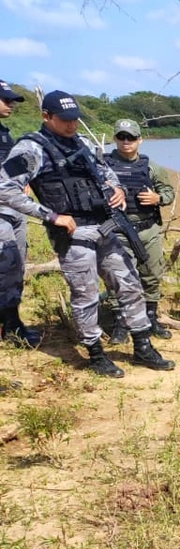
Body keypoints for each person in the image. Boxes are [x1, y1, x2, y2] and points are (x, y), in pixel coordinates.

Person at [0, 90, 174, 376]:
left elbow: (106, 171)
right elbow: (5, 188)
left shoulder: (81, 142)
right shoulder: (32, 148)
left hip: (104, 226)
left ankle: (142, 345)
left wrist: (117, 189)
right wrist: (50, 216)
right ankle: (95, 354)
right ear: (46, 116)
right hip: (73, 234)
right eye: (65, 120)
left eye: (75, 119)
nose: (72, 125)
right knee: (86, 293)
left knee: (128, 283)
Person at [105, 118, 174, 343]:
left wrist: (157, 198)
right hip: (116, 229)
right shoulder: (103, 166)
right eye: (121, 137)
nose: (126, 141)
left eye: (131, 137)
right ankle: (120, 323)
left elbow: (168, 193)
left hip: (147, 228)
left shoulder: (151, 167)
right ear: (115, 139)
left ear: (140, 140)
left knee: (152, 275)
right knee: (118, 277)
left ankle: (151, 318)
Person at [0, 79, 41, 348]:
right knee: (6, 263)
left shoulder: (4, 133)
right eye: (6, 100)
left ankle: (12, 324)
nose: (11, 104)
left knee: (16, 267)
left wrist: (23, 181)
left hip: (15, 207)